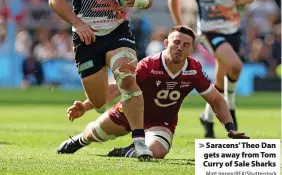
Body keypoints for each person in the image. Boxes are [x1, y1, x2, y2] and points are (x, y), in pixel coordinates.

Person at [49, 0, 153, 160]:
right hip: (86, 39)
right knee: (98, 104)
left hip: (117, 31)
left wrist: (137, 0)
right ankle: (87, 105)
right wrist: (78, 23)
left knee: (127, 79)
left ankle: (139, 142)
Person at [57, 26, 249, 159]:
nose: (179, 48)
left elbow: (216, 100)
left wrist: (229, 127)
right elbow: (115, 88)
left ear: (192, 49)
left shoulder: (194, 70)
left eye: (185, 45)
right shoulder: (149, 65)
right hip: (129, 114)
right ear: (166, 43)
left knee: (156, 152)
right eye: (176, 42)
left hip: (161, 122)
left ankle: (126, 151)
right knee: (93, 134)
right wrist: (85, 105)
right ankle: (79, 140)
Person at [167, 0, 255, 138]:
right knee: (236, 65)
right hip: (209, 30)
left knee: (223, 69)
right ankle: (230, 107)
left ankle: (207, 117)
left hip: (232, 29)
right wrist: (179, 23)